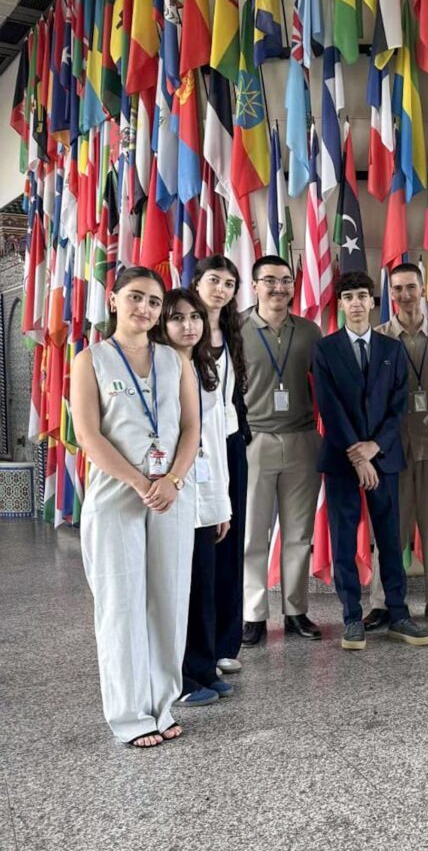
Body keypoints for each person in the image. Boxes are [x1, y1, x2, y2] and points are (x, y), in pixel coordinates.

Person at [71, 267, 199, 747]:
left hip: (171, 495)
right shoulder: (91, 360)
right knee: (121, 605)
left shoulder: (174, 361)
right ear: (113, 299)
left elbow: (192, 428)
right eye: (135, 297)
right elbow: (88, 435)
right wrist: (141, 482)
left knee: (169, 600)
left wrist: (173, 479)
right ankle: (129, 715)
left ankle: (162, 705)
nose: (144, 308)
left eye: (153, 301)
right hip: (117, 495)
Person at [312, 271, 428, 650]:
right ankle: (352, 618)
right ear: (341, 304)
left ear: (372, 301)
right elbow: (329, 407)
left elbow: (398, 406)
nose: (356, 303)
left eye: (362, 296)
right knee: (344, 540)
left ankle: (398, 613)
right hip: (342, 460)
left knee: (390, 539)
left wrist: (375, 447)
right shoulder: (325, 349)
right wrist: (357, 453)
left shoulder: (391, 348)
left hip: (385, 458)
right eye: (349, 297)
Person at [240, 255, 323, 645]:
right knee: (252, 534)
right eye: (270, 280)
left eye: (286, 280)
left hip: (302, 439)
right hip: (254, 441)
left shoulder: (309, 331)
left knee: (298, 534)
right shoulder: (236, 329)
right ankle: (253, 614)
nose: (278, 287)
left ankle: (296, 611)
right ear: (255, 285)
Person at [364, 263, 428, 630]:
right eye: (396, 288)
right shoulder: (378, 338)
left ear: (423, 288)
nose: (404, 295)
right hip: (391, 450)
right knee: (389, 530)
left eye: (410, 287)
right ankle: (382, 602)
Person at [159, 288, 233, 707]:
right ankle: (180, 677)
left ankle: (203, 667)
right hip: (172, 491)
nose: (188, 326)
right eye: (177, 318)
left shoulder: (206, 367)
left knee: (204, 586)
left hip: (205, 492)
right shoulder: (158, 368)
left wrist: (221, 504)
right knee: (177, 590)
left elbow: (216, 442)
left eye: (195, 317)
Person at [192, 256, 251, 676]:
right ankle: (200, 646)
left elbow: (235, 393)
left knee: (232, 542)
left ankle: (227, 643)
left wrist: (242, 435)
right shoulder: (181, 330)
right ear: (197, 283)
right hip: (195, 450)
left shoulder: (232, 331)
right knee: (203, 546)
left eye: (229, 284)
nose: (221, 289)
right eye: (214, 280)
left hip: (230, 444)